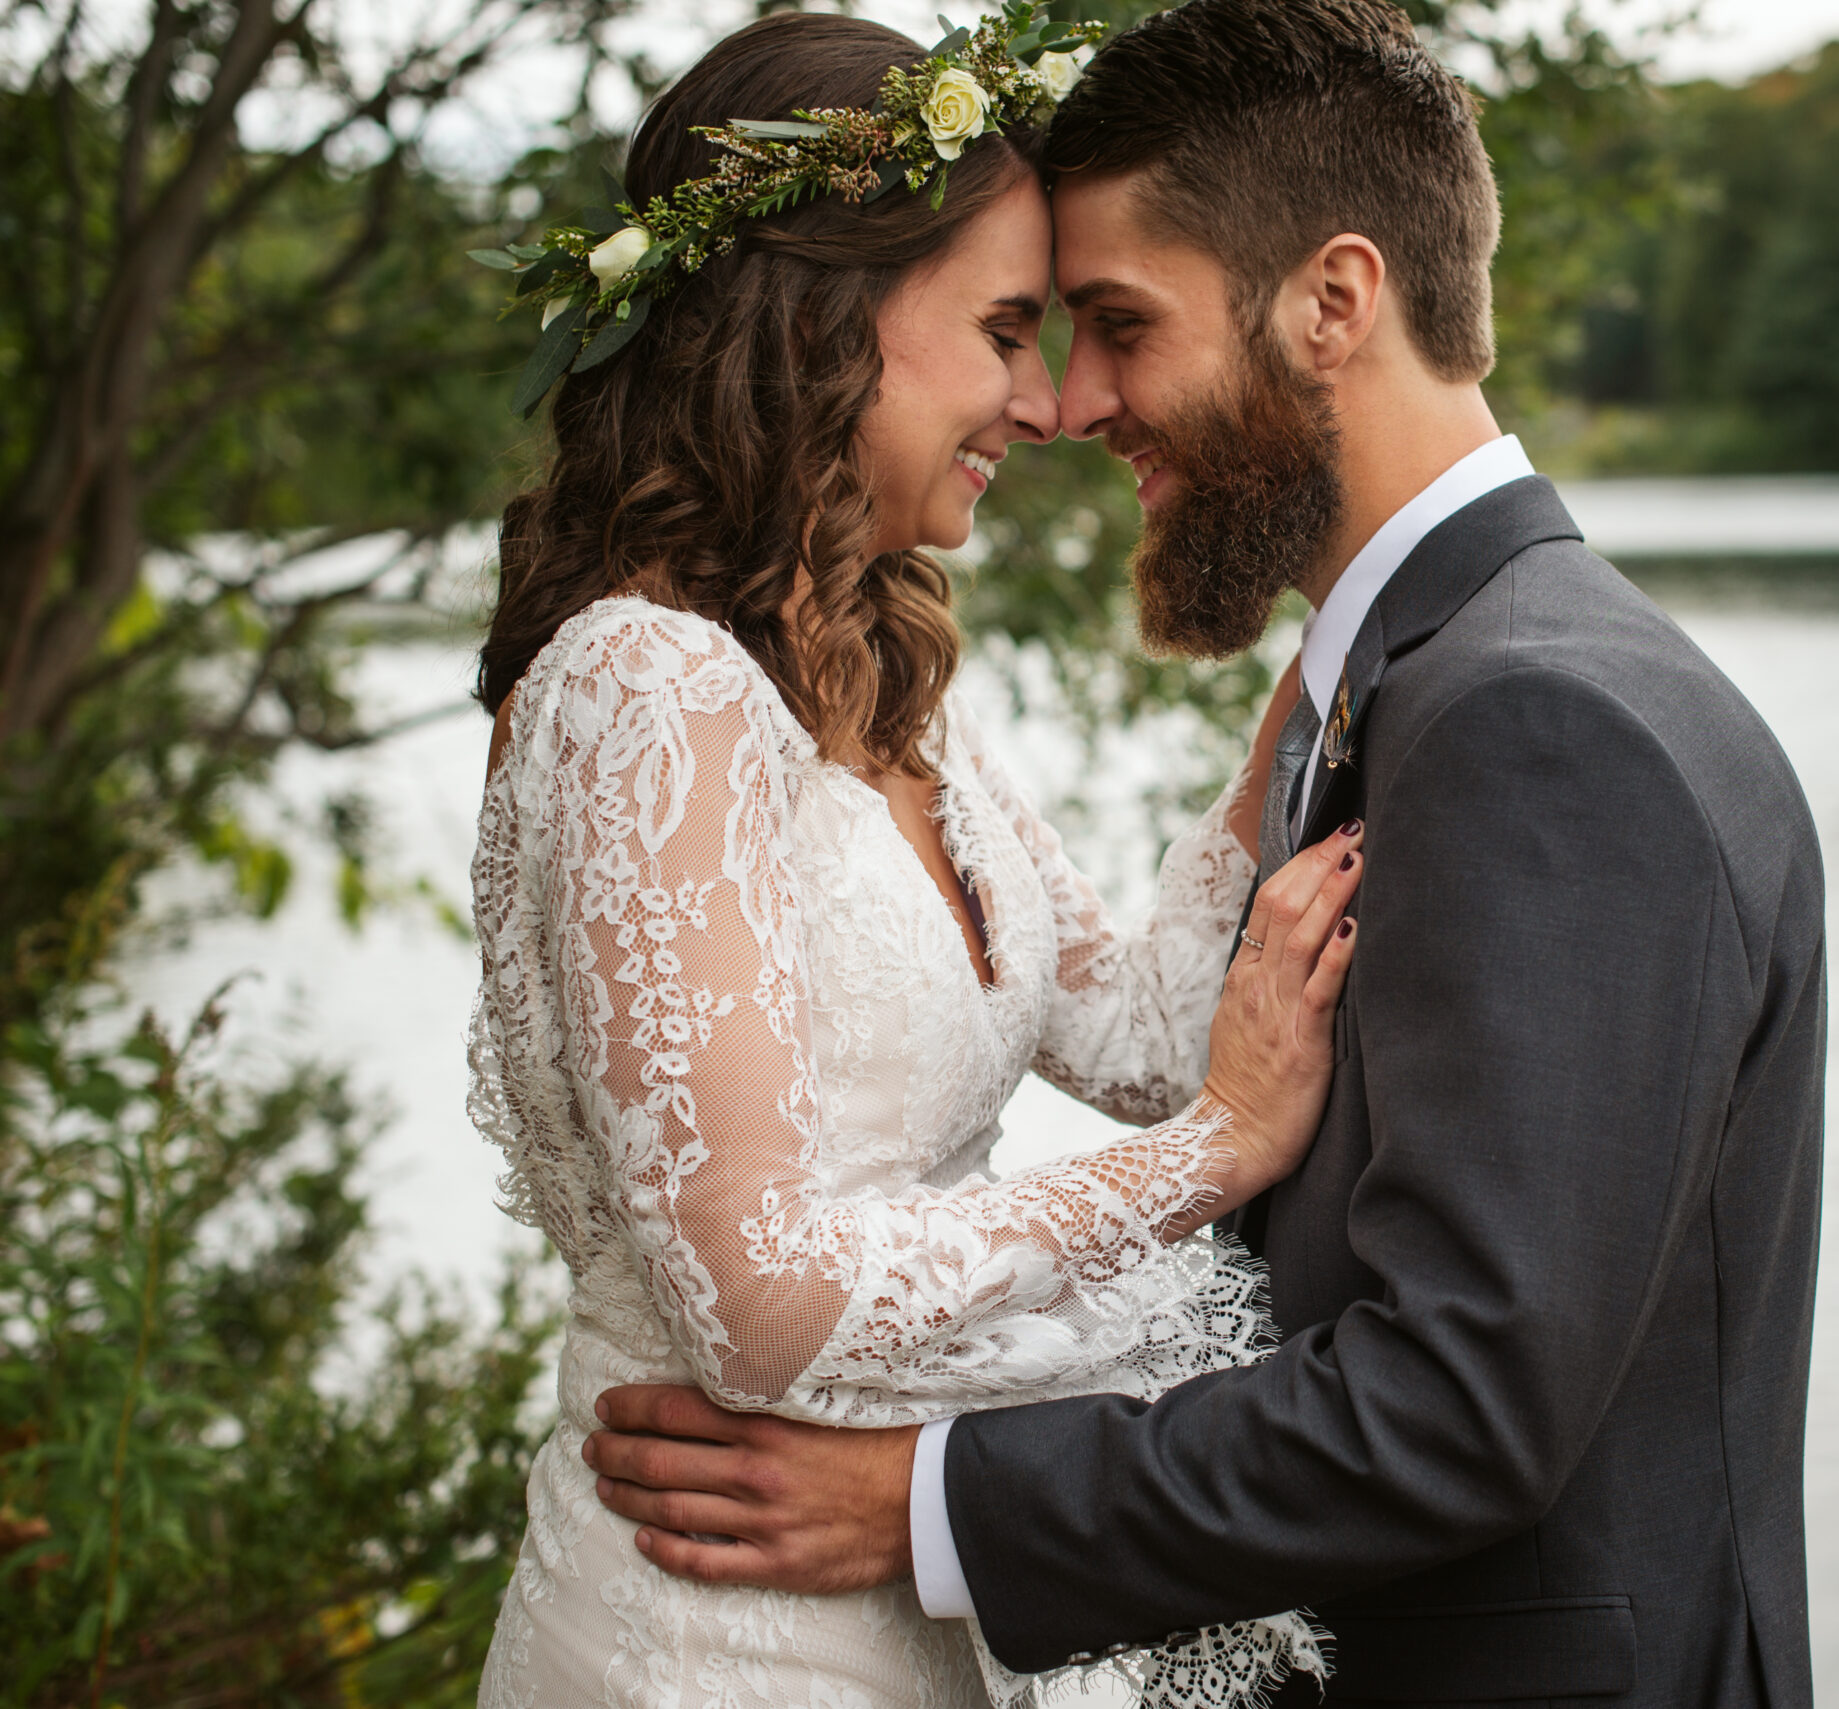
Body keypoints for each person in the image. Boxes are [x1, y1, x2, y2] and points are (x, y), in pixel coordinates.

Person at [585, 4, 1830, 1707]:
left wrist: (931, 1499)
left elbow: (1463, 1401)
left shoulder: (1542, 727)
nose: (1073, 402)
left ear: (1333, 302)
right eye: (1032, 330)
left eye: (1113, 325)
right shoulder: (1413, 680)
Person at [464, 10, 1367, 1707]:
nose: (1043, 402)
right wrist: (1225, 1154)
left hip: (902, 1614)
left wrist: (1338, 656)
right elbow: (762, 1302)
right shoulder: (641, 686)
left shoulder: (892, 684)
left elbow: (1151, 1039)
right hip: (704, 1633)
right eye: (1007, 331)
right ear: (821, 323)